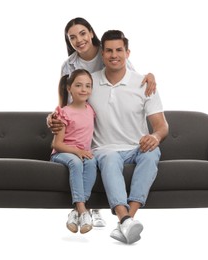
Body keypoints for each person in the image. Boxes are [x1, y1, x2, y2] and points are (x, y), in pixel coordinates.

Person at [51, 17, 159, 227]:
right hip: (90, 130)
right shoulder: (69, 64)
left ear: (91, 33)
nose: (78, 40)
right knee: (98, 153)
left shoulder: (108, 51)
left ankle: (120, 218)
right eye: (72, 37)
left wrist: (150, 76)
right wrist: (55, 116)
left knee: (98, 153)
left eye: (82, 33)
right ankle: (88, 208)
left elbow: (133, 79)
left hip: (114, 131)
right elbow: (65, 99)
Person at [88, 30, 169, 244]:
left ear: (127, 52)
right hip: (104, 148)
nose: (114, 55)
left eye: (119, 50)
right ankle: (125, 219)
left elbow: (161, 126)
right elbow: (72, 110)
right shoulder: (90, 82)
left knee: (152, 154)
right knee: (110, 157)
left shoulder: (144, 83)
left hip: (136, 147)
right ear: (102, 54)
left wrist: (156, 136)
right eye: (109, 51)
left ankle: (127, 219)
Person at [50, 69, 97, 234]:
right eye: (78, 85)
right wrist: (77, 151)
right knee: (76, 162)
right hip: (62, 154)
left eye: (88, 86)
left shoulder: (90, 110)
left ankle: (75, 212)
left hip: (82, 153)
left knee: (92, 162)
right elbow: (56, 144)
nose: (84, 89)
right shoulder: (64, 113)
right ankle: (83, 210)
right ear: (69, 88)